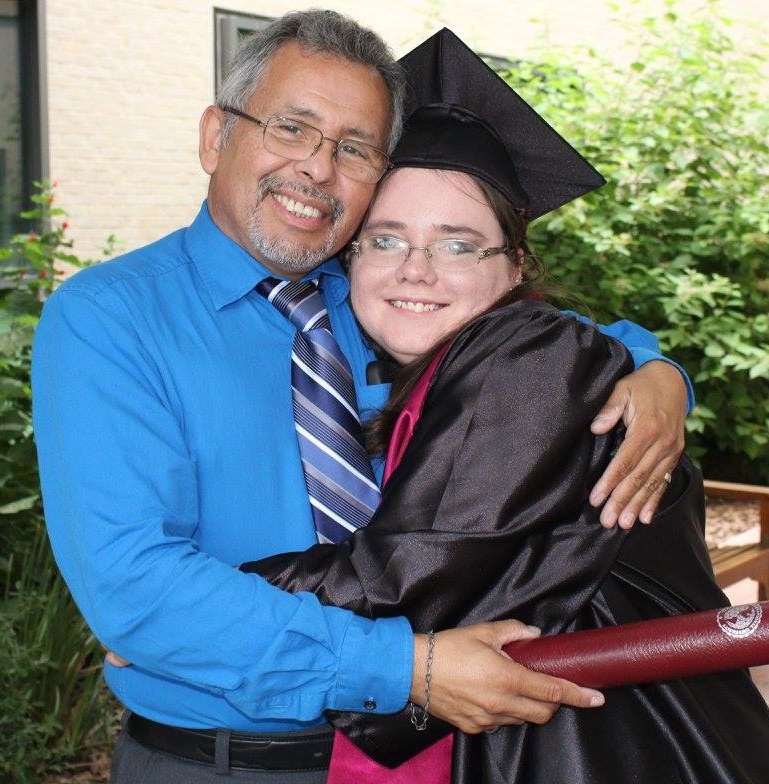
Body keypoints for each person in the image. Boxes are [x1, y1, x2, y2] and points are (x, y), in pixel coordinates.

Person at [32, 10, 690, 784]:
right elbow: (135, 579)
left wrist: (656, 370)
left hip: (431, 753)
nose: (316, 169)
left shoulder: (373, 295)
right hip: (222, 763)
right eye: (291, 128)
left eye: (354, 149)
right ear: (215, 137)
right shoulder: (111, 318)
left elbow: (542, 336)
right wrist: (404, 667)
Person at [239, 28, 769, 784]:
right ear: (349, 256)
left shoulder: (526, 357)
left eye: (459, 244)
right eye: (384, 239)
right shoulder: (428, 362)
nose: (416, 269)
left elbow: (400, 573)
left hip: (616, 749)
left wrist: (196, 611)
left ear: (516, 266)